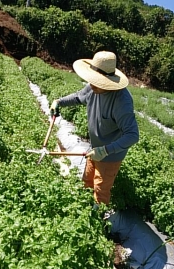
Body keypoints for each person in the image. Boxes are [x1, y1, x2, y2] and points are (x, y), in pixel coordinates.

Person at [50, 51, 139, 207]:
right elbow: (79, 96)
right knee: (87, 179)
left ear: (108, 81)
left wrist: (105, 151)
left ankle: (98, 219)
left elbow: (132, 135)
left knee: (100, 189)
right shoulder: (93, 87)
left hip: (110, 155)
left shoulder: (121, 101)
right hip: (94, 147)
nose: (91, 84)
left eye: (97, 81)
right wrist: (59, 102)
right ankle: (84, 205)